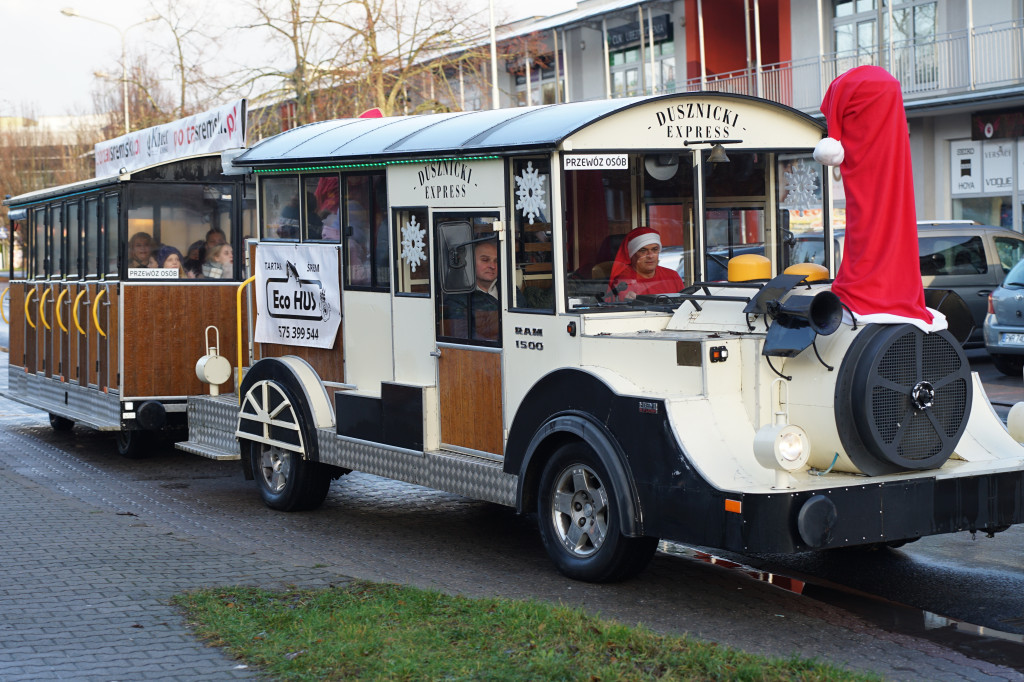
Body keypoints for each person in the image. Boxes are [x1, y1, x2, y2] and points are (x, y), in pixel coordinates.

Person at [443, 239, 500, 341]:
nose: (492, 266)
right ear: (470, 263)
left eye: (496, 261)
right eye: (485, 260)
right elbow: (462, 336)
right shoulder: (459, 298)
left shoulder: (511, 290)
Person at [606, 226, 683, 301]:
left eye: (655, 249)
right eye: (643, 251)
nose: (650, 255)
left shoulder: (672, 276)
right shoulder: (624, 282)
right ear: (632, 254)